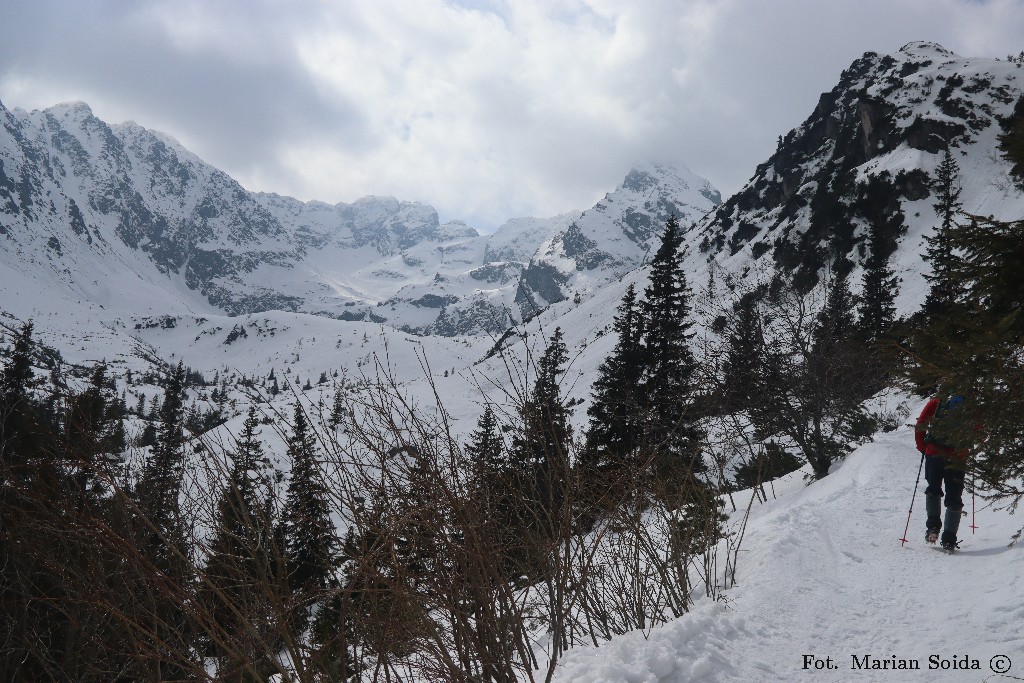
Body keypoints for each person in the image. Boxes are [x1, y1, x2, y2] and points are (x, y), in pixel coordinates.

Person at [915, 395, 968, 551]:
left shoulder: (937, 402)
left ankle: (932, 528)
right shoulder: (969, 403)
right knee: (954, 496)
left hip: (934, 453)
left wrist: (923, 447)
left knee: (933, 489)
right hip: (958, 456)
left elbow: (921, 424)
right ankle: (949, 539)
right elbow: (978, 429)